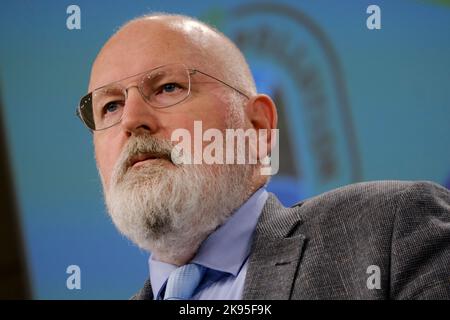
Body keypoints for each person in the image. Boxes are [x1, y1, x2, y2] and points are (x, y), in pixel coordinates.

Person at [77, 13, 450, 300]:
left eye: (168, 87)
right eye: (110, 106)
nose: (131, 121)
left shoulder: (391, 230)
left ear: (257, 126)